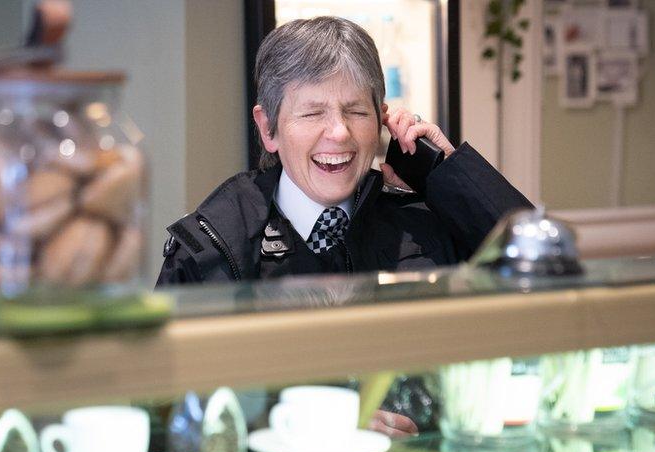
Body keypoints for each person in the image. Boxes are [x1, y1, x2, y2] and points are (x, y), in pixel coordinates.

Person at [157, 16, 532, 286]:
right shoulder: (212, 242)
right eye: (312, 112)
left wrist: (450, 175)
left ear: (383, 118)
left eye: (356, 111)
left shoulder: (424, 224)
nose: (339, 133)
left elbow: (547, 276)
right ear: (268, 128)